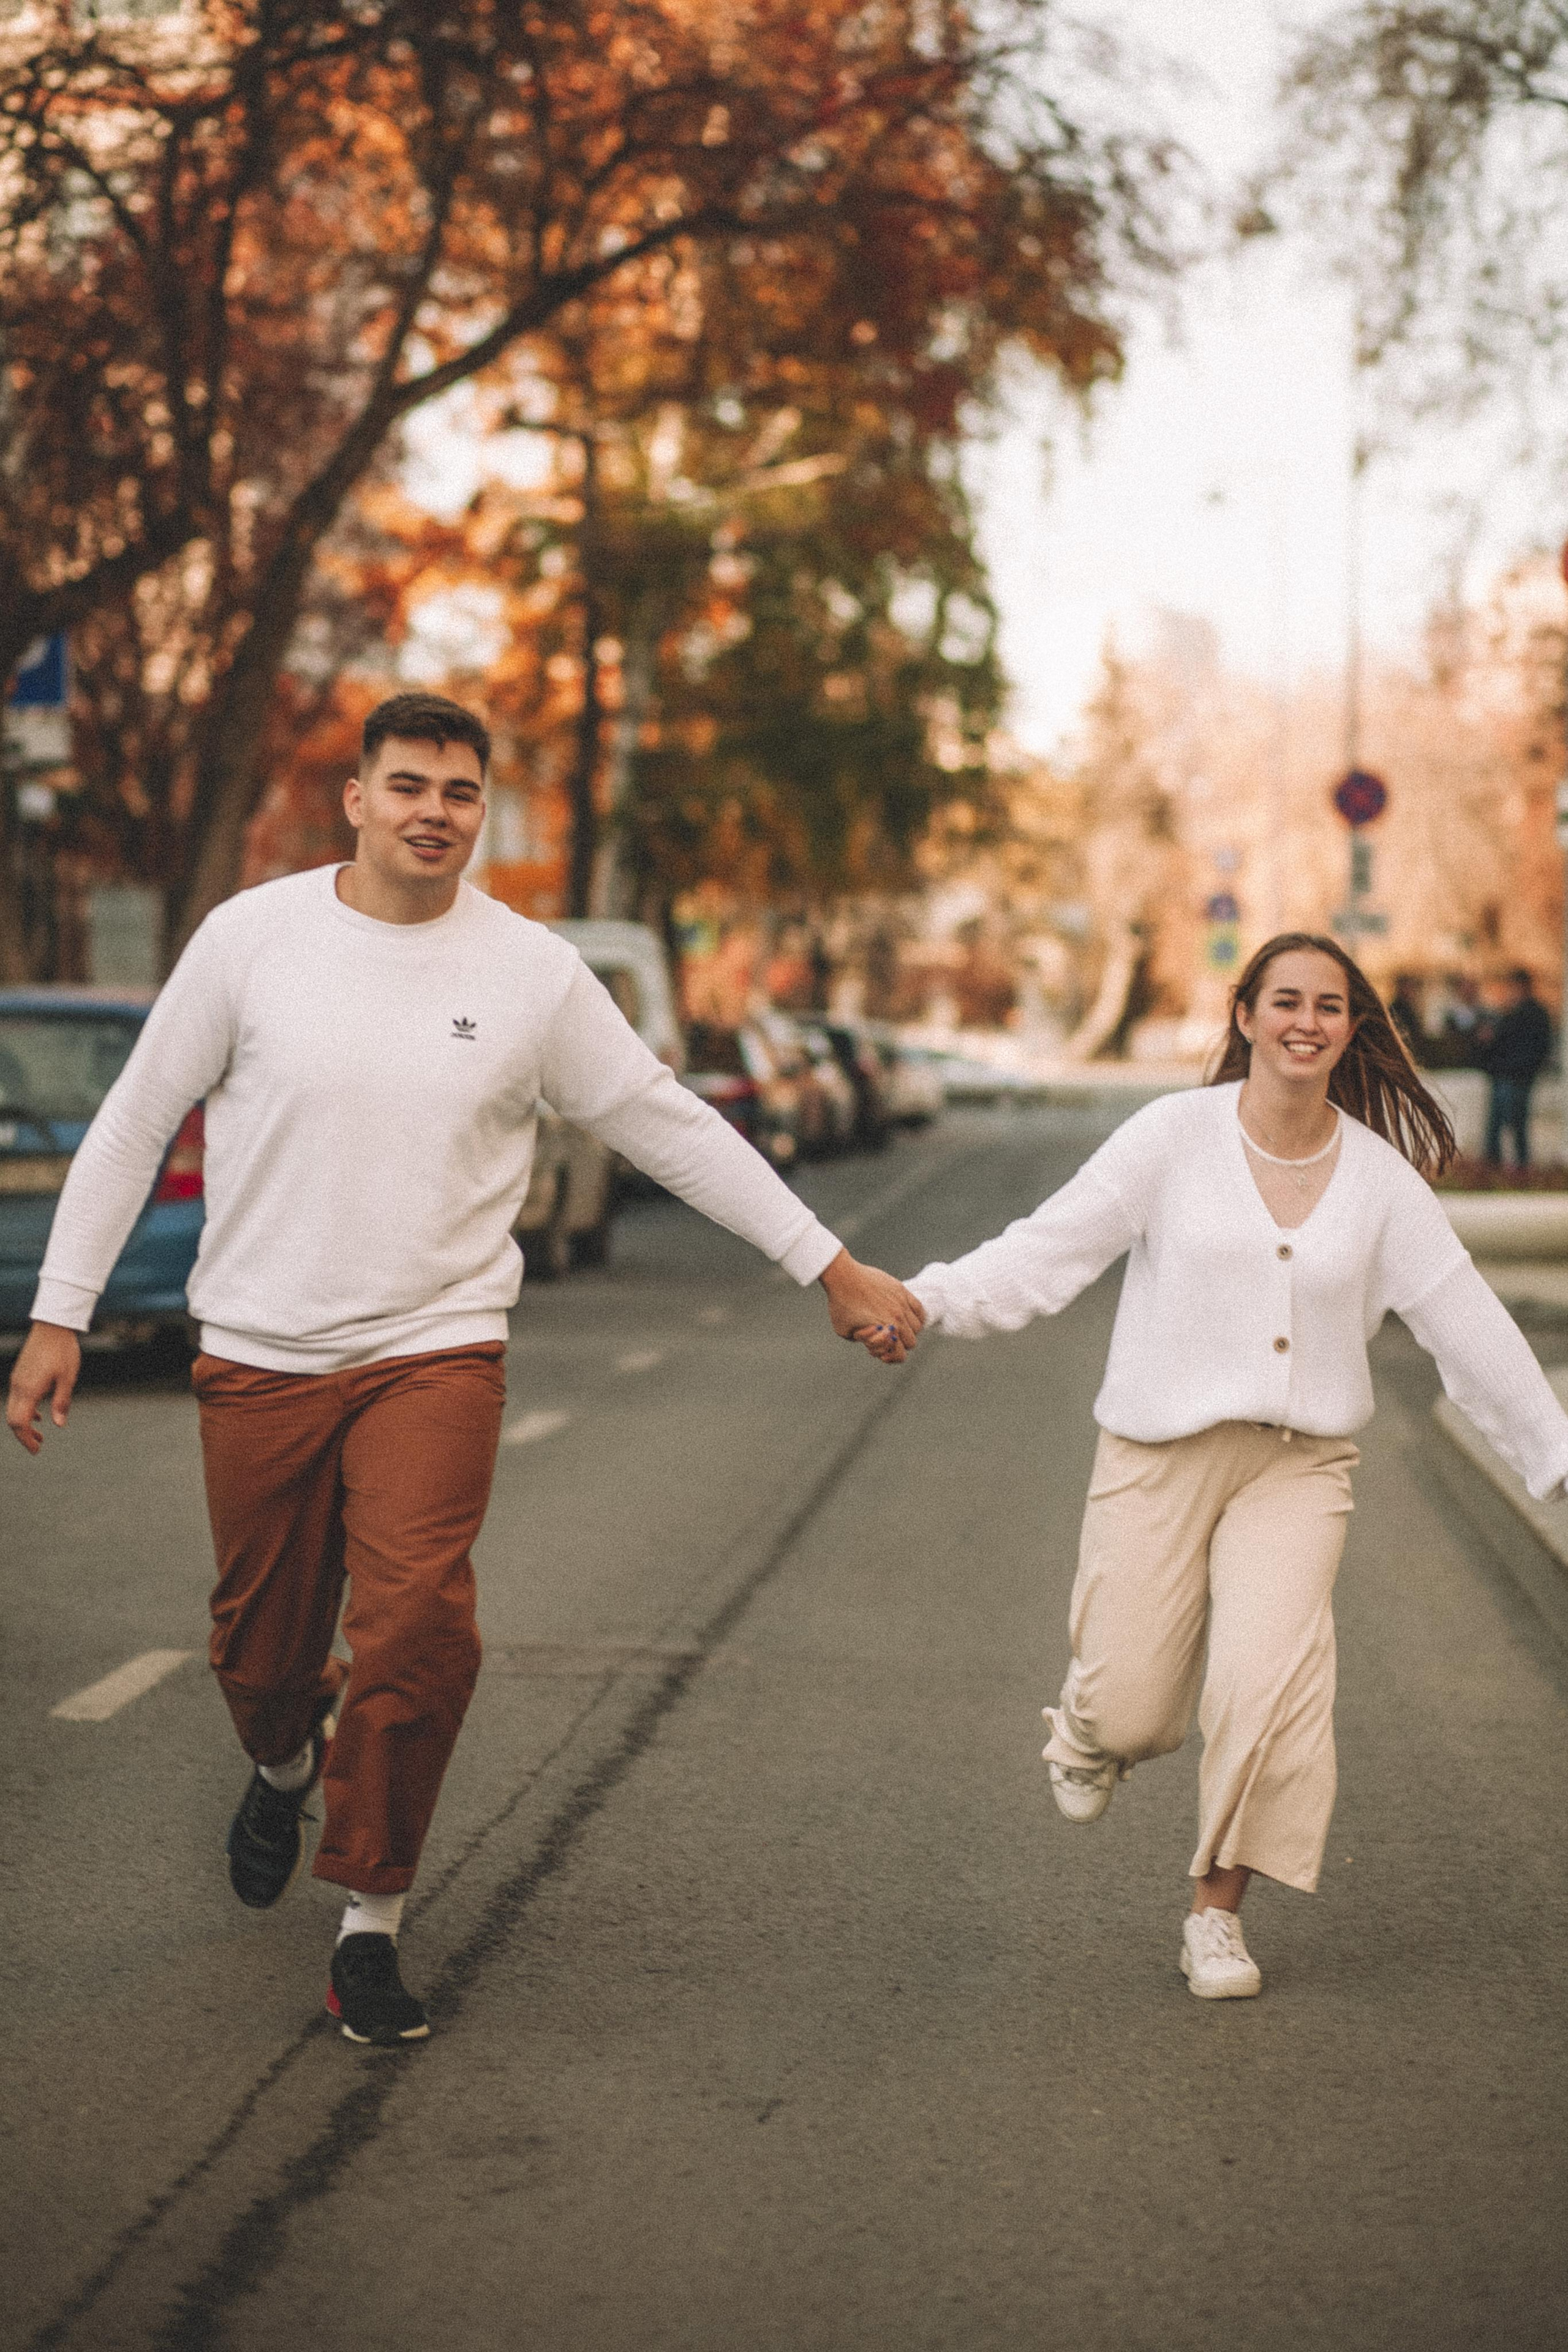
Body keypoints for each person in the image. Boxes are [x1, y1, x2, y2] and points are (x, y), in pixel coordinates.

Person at [6, 692, 924, 2048]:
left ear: (480, 811)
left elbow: (663, 1122)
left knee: (421, 1624)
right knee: (259, 1655)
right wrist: (60, 1312)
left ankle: (368, 1920)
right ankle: (280, 1758)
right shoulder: (250, 942)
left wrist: (827, 1265)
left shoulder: (532, 973)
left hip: (434, 1344)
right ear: (358, 801)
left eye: (460, 792)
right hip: (260, 1348)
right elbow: (137, 1119)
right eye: (410, 785)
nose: (435, 811)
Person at [875, 933, 1568, 1999]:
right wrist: (926, 1300)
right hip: (1158, 1452)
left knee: (1269, 1690)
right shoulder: (1171, 1139)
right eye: (1284, 1001)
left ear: (1351, 1027)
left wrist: (1556, 1456)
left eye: (1328, 1006)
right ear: (1244, 1015)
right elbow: (1050, 1248)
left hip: (1299, 1469)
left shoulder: (1381, 1182)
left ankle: (1215, 1917)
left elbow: (1468, 1325)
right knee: (1138, 1712)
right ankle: (1091, 1729)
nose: (1306, 1022)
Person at [1483, 967, 1553, 1169]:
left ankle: (1505, 1163)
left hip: (1515, 1074)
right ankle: (1511, 1163)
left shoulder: (1525, 1012)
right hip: (1513, 1074)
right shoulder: (1519, 1011)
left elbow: (1528, 1045)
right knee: (1508, 1122)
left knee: (1509, 1121)